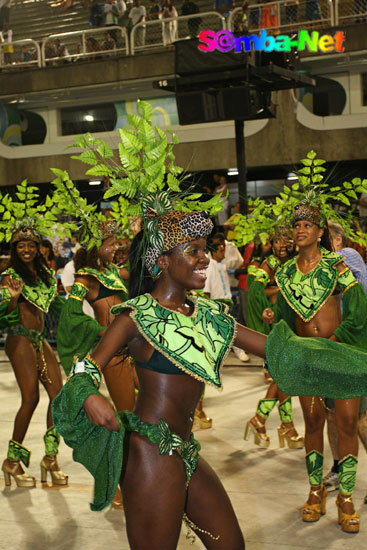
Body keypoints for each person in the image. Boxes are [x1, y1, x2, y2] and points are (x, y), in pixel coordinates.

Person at [53, 207, 268, 549]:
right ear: (163, 261)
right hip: (151, 453)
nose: (204, 260)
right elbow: (87, 367)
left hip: (186, 450)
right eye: (192, 250)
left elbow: (277, 350)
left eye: (204, 249)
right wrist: (88, 395)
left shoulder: (207, 314)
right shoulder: (136, 317)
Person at [263, 203, 367, 533]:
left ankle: (346, 496)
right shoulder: (286, 274)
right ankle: (314, 490)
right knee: (311, 422)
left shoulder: (337, 268)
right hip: (308, 360)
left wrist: (336, 340)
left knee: (348, 423)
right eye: (296, 225)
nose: (300, 229)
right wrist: (272, 320)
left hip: (340, 355)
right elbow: (283, 316)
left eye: (308, 224)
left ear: (321, 233)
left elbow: (358, 309)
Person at [1, 227, 68, 488]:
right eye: (21, 246)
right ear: (14, 249)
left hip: (39, 340)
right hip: (19, 338)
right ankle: (12, 461)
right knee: (30, 398)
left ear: (39, 247)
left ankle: (50, 458)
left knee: (58, 396)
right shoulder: (10, 275)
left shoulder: (42, 275)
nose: (26, 250)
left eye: (31, 245)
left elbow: (56, 305)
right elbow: (3, 315)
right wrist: (12, 299)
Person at [244, 230, 304, 449]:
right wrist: (269, 305)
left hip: (296, 322)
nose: (282, 245)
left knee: (284, 375)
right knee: (283, 375)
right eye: (278, 241)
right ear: (272, 243)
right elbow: (256, 289)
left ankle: (268, 421)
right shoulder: (268, 264)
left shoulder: (299, 260)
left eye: (287, 241)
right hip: (279, 325)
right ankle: (279, 423)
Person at [322, 221, 367, 495]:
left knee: (360, 419)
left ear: (337, 240)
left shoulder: (347, 257)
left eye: (323, 237)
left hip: (354, 349)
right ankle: (338, 468)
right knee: (331, 415)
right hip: (335, 353)